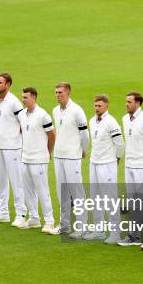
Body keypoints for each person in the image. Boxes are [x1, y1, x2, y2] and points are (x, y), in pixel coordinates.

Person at [118, 91, 143, 250]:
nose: (126, 104)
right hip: (129, 166)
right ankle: (133, 236)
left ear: (138, 103)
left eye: (129, 102)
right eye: (126, 101)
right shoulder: (124, 119)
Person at [50, 82, 89, 237]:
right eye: (56, 92)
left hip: (72, 157)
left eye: (60, 92)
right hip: (58, 156)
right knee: (61, 192)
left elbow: (85, 135)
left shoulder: (77, 111)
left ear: (68, 93)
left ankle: (82, 226)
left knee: (76, 191)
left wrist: (83, 150)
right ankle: (64, 224)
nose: (57, 95)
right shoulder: (55, 110)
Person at [86, 95, 124, 243]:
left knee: (110, 198)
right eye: (95, 105)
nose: (97, 108)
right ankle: (98, 230)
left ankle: (115, 233)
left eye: (100, 106)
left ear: (106, 106)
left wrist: (117, 158)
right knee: (95, 198)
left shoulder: (111, 122)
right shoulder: (91, 121)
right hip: (94, 163)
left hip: (107, 164)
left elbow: (120, 143)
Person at [0, 72, 26, 224]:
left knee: (16, 180)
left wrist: (19, 141)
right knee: (0, 180)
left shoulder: (15, 102)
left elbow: (23, 124)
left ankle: (21, 214)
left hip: (12, 147)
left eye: (0, 82)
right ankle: (3, 212)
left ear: (8, 84)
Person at [18, 87, 57, 233]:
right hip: (25, 158)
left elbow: (52, 135)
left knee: (42, 190)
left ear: (33, 98)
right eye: (22, 97)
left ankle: (49, 221)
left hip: (39, 159)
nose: (23, 99)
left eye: (26, 97)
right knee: (28, 190)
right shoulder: (22, 114)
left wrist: (48, 152)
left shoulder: (43, 115)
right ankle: (34, 218)